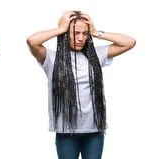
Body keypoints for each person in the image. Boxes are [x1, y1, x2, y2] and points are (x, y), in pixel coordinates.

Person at [26, 10, 136, 159]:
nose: (81, 38)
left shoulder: (97, 55)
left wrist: (96, 32)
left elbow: (129, 42)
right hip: (66, 131)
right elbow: (32, 41)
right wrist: (60, 29)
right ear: (66, 34)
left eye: (85, 34)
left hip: (94, 129)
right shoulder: (52, 58)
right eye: (76, 33)